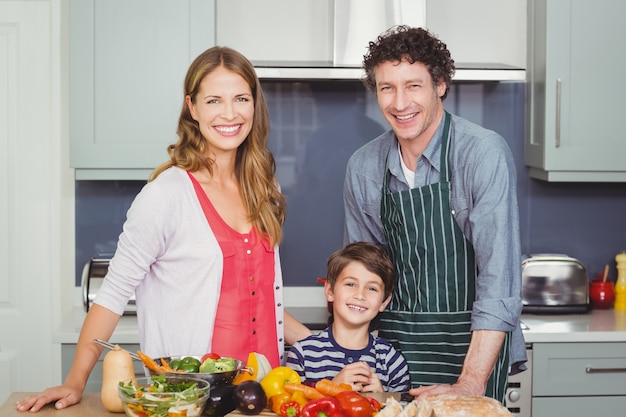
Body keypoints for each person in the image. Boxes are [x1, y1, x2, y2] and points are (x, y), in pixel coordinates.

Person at [16, 46, 312, 413]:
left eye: (241, 98)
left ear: (255, 105)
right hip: (192, 397)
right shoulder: (166, 196)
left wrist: (320, 345)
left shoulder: (264, 187)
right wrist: (75, 381)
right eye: (214, 100)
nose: (230, 113)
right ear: (192, 108)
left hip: (265, 394)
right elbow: (111, 297)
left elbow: (256, 293)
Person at [343, 25, 526, 403]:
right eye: (386, 88)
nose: (399, 103)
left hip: (473, 351)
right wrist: (349, 358)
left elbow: (498, 281)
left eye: (413, 86)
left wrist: (470, 384)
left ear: (440, 84)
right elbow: (362, 277)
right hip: (394, 352)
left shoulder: (481, 153)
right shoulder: (363, 166)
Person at [286, 242, 410, 392]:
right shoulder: (302, 354)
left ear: (384, 302)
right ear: (330, 291)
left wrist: (381, 399)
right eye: (351, 284)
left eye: (372, 288)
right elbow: (293, 410)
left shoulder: (392, 361)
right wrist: (332, 389)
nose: (360, 295)